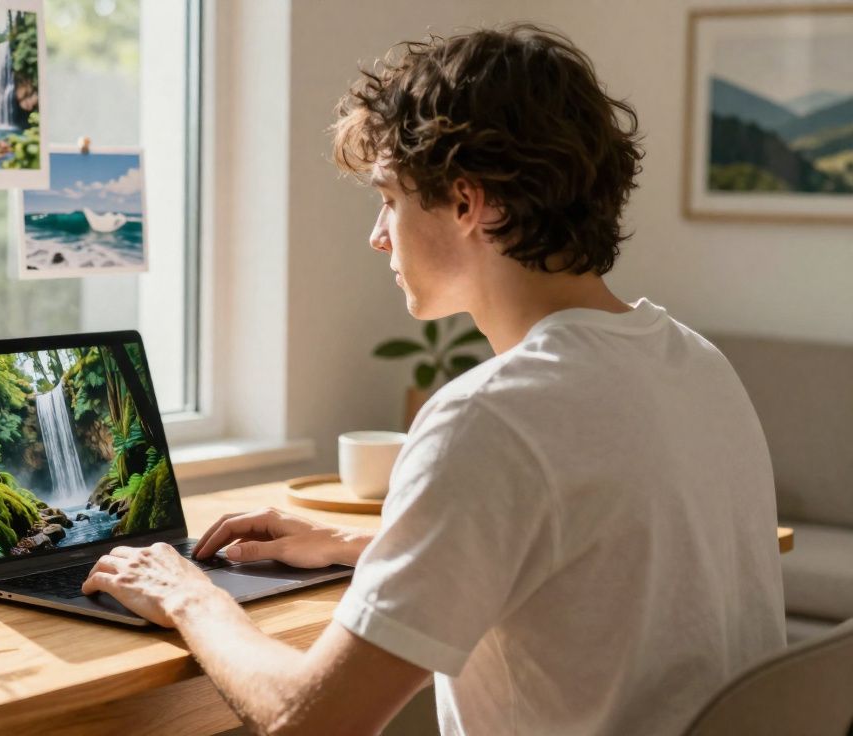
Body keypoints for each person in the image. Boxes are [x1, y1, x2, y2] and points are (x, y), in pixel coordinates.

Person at [81, 23, 786, 735]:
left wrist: (190, 597)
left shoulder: (489, 417)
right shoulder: (693, 362)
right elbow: (592, 557)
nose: (378, 235)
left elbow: (308, 719)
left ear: (467, 202)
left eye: (389, 197)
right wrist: (367, 545)